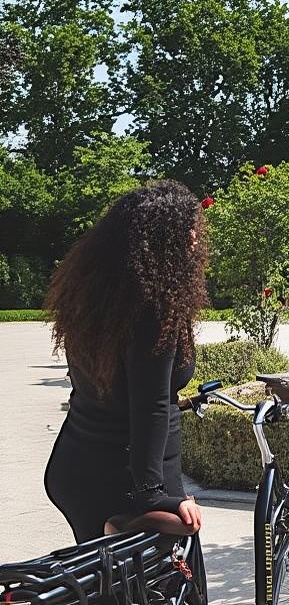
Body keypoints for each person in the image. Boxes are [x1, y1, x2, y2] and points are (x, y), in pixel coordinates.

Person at [44, 181, 205, 543]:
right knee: (179, 590)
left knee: (101, 588)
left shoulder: (95, 299)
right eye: (187, 229)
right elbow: (151, 403)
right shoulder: (155, 307)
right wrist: (152, 494)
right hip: (125, 482)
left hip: (77, 465)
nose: (195, 238)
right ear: (164, 240)